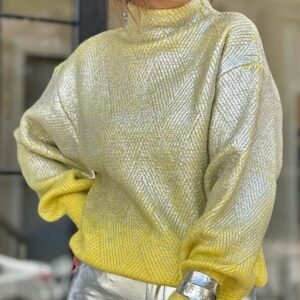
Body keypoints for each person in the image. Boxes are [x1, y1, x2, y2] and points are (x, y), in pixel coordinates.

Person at [13, 0, 283, 299]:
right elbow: (35, 141)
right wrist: (89, 221)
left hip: (203, 288)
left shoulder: (228, 36)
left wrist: (202, 284)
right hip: (100, 286)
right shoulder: (91, 58)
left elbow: (246, 175)